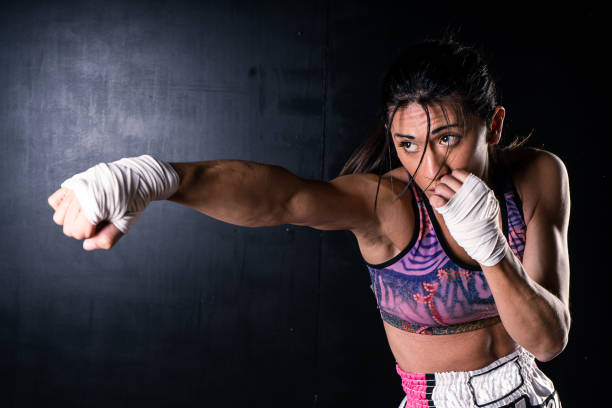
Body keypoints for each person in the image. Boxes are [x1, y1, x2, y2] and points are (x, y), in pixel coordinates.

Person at [47, 37, 570, 407]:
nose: (428, 169)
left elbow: (548, 341)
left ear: (493, 126)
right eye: (408, 144)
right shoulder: (388, 205)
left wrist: (494, 251)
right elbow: (287, 199)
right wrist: (157, 178)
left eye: (447, 139)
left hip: (531, 391)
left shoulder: (537, 175)